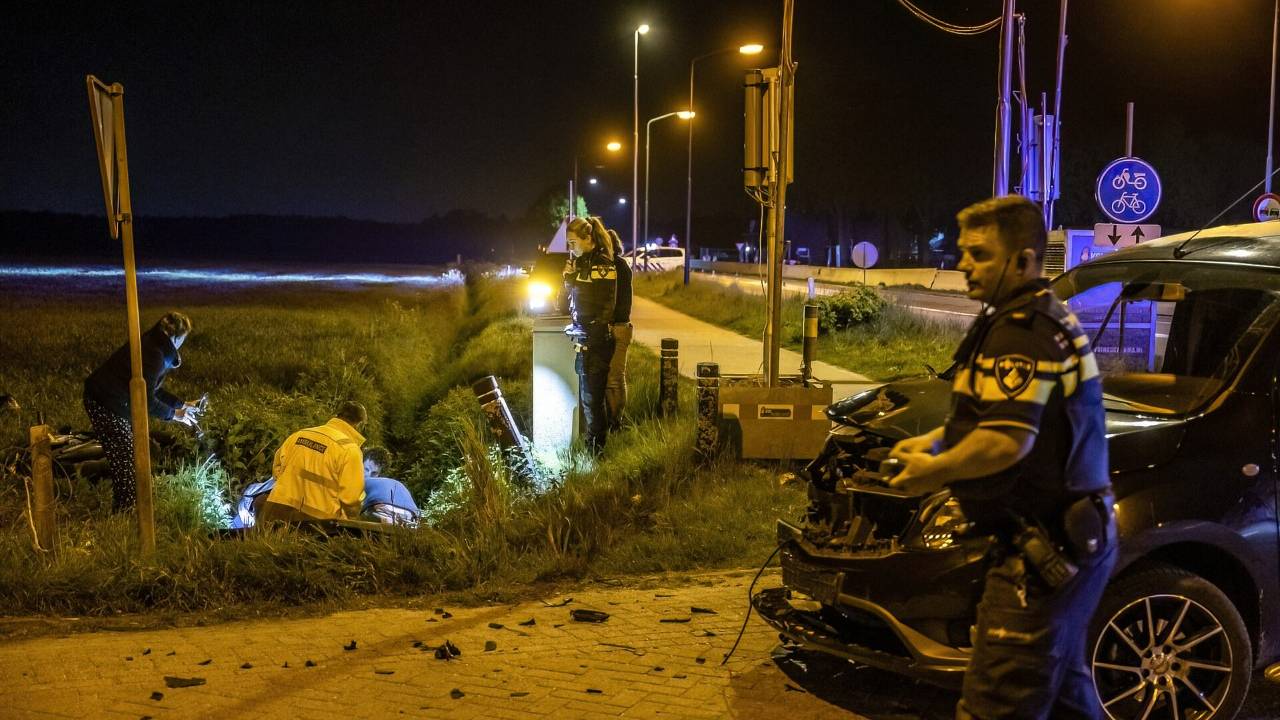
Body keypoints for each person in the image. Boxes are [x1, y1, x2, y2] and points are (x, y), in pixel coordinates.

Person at [886, 195, 1115, 720]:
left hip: (1041, 553)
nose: (964, 264)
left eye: (980, 255)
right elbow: (983, 420)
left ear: (1024, 261)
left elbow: (1008, 441)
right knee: (1064, 699)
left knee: (997, 703)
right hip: (1064, 540)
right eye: (965, 252)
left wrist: (932, 473)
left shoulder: (1023, 332)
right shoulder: (1016, 320)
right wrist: (935, 444)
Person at [83, 311, 201, 512]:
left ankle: (124, 506)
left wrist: (181, 404)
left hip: (106, 399)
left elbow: (150, 388)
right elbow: (144, 399)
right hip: (106, 402)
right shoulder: (154, 354)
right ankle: (126, 511)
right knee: (127, 459)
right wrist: (176, 415)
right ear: (177, 337)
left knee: (126, 456)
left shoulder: (154, 345)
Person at [259, 401, 368, 524]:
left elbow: (277, 468)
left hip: (275, 512)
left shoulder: (299, 435)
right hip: (315, 524)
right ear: (359, 425)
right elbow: (351, 501)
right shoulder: (350, 449)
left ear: (337, 415)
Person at [563, 216, 617, 453]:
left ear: (588, 239)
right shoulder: (584, 262)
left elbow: (606, 306)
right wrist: (569, 278)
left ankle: (596, 451)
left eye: (573, 242)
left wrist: (591, 335)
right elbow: (577, 297)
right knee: (589, 399)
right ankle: (593, 447)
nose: (570, 248)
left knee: (592, 400)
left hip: (595, 340)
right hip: (586, 337)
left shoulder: (602, 264)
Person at [605, 226, 632, 430]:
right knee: (613, 377)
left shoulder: (617, 267)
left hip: (617, 327)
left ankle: (616, 423)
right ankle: (614, 421)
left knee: (614, 378)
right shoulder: (619, 265)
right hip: (618, 325)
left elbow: (619, 302)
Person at [360, 446, 421, 526]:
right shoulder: (397, 484)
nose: (368, 475)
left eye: (374, 473)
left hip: (384, 510)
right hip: (411, 515)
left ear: (381, 475)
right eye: (366, 469)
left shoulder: (361, 482)